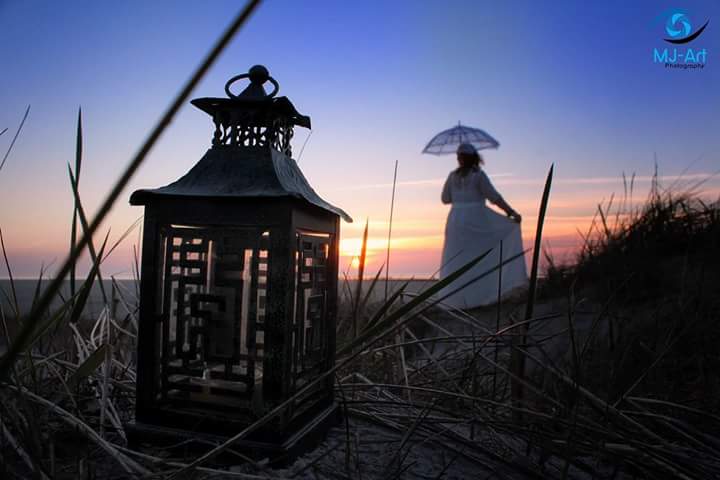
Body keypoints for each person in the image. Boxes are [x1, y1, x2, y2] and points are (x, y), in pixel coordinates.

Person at [438, 143, 527, 308]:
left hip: (456, 220)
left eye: (459, 156)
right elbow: (494, 197)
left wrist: (459, 197)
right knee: (480, 257)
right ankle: (477, 298)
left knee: (457, 258)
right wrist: (510, 212)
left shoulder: (453, 176)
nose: (458, 158)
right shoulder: (478, 175)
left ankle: (458, 301)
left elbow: (445, 199)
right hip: (477, 218)